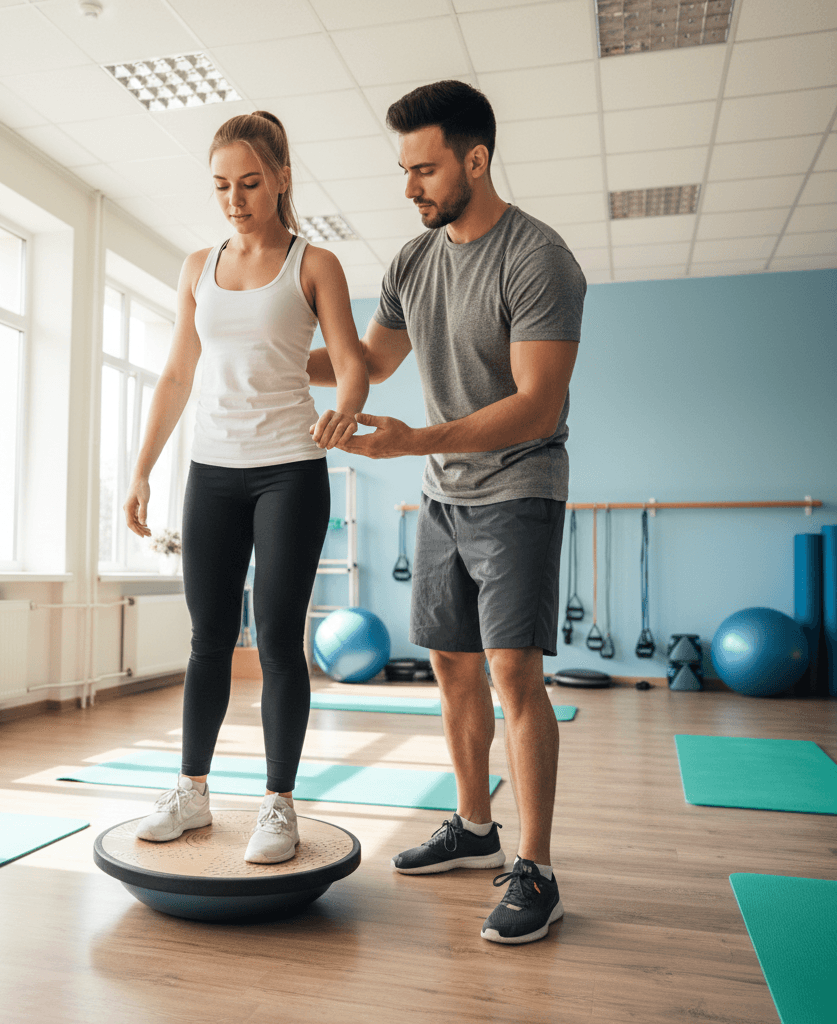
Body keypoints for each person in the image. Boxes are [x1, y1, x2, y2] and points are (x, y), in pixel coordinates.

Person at [307, 81, 585, 943]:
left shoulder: (537, 257)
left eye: (423, 169)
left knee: (514, 676)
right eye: (404, 170)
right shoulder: (412, 261)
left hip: (517, 490)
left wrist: (416, 439)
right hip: (441, 498)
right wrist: (270, 352)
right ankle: (473, 828)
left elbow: (539, 403)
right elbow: (370, 362)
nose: (410, 188)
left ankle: (534, 865)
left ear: (475, 160)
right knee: (453, 668)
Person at [124, 111, 369, 864]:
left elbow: (353, 362)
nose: (235, 198)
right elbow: (176, 373)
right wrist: (140, 470)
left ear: (283, 178)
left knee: (277, 642)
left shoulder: (314, 262)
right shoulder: (197, 265)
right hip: (212, 472)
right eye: (223, 185)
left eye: (250, 182)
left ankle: (278, 804)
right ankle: (192, 793)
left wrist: (346, 409)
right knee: (206, 641)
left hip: (290, 469)